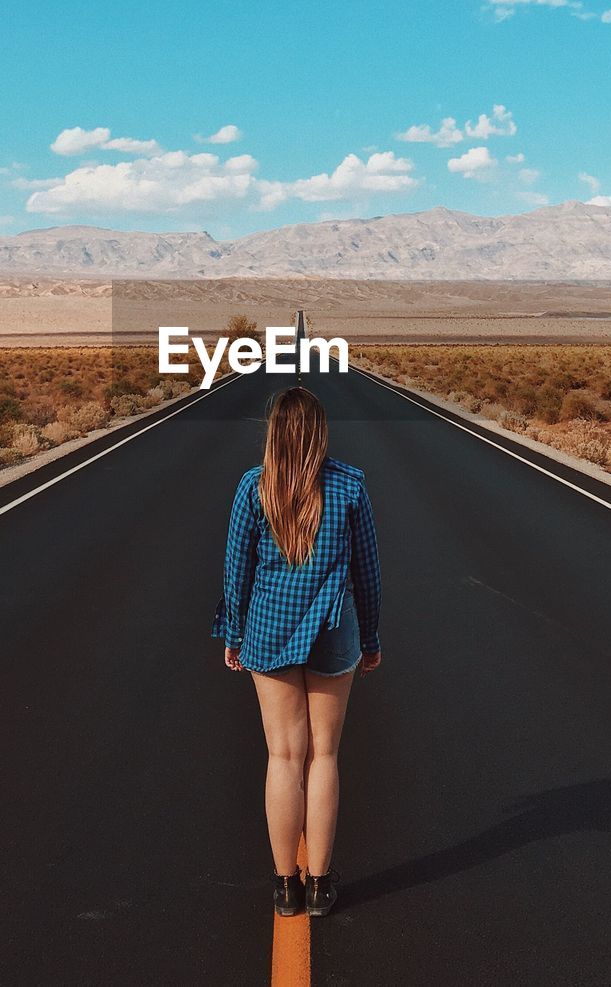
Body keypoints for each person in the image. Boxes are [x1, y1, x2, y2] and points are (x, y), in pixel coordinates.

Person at [211, 385, 382, 919]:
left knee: (284, 757)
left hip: (269, 629)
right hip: (334, 632)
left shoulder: (253, 488)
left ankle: (285, 886)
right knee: (324, 754)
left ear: (275, 434)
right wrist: (371, 639)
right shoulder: (350, 485)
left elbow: (235, 572)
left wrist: (233, 635)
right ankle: (319, 886)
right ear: (319, 433)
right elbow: (368, 575)